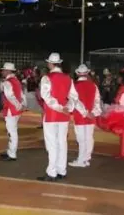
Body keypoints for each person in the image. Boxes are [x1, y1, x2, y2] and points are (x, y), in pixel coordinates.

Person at [37, 53, 86, 182]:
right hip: (64, 116)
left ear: (50, 64)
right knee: (62, 143)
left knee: (52, 144)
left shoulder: (46, 78)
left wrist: (59, 107)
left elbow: (46, 97)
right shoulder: (68, 79)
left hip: (52, 115)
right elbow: (74, 97)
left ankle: (52, 172)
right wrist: (67, 108)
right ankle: (61, 170)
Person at [69, 64, 101, 168]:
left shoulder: (74, 85)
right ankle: (87, 158)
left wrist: (85, 112)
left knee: (81, 139)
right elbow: (97, 101)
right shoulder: (93, 85)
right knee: (89, 138)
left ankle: (81, 160)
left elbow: (75, 101)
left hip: (80, 116)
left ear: (77, 73)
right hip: (91, 116)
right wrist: (93, 113)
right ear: (87, 73)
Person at [0, 62, 26, 162]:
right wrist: (22, 105)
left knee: (12, 132)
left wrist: (18, 105)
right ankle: (10, 150)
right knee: (12, 131)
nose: (2, 71)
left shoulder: (7, 82)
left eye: (3, 70)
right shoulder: (16, 81)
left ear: (8, 71)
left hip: (11, 109)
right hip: (16, 110)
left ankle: (12, 154)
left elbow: (10, 96)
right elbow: (22, 94)